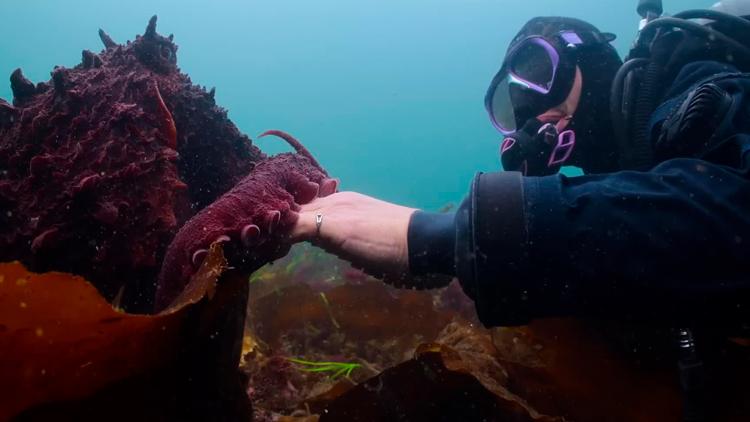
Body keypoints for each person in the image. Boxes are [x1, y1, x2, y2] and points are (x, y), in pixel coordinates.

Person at [290, 4, 750, 331]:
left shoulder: (692, 73)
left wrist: (454, 237)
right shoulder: (623, 170)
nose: (529, 106)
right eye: (511, 105)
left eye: (537, 71)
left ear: (587, 58)